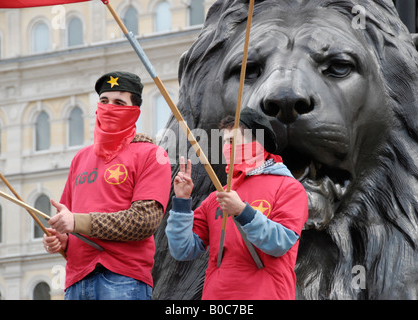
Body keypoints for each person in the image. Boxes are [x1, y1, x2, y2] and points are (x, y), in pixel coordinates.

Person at [43, 71, 171, 300]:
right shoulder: (80, 159)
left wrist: (77, 222)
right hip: (76, 280)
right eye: (104, 101)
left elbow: (144, 220)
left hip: (124, 279)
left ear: (134, 112)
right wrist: (62, 240)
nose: (109, 107)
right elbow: (69, 222)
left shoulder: (152, 155)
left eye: (119, 103)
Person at [166, 108, 308, 300]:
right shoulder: (217, 196)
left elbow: (279, 243)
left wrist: (243, 212)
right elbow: (183, 249)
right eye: (224, 142)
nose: (226, 148)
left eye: (232, 141)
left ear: (258, 143)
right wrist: (182, 202)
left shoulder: (288, 188)